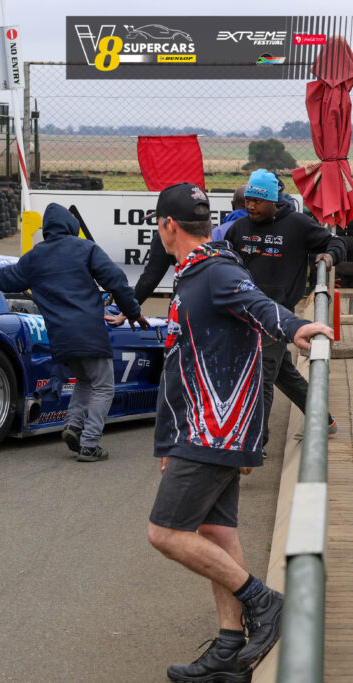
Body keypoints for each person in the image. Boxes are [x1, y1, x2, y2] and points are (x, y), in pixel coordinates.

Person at [146, 182, 334, 681]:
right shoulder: (198, 270)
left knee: (165, 532)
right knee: (217, 532)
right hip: (200, 428)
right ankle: (231, 646)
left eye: (159, 226)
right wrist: (168, 438)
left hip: (215, 431)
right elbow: (180, 362)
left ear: (168, 225)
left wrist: (296, 327)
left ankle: (264, 603)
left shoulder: (215, 270)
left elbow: (258, 304)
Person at [0, 203, 149, 462]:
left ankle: (73, 426)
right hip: (89, 332)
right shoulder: (85, 248)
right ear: (70, 225)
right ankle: (90, 444)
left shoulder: (35, 256)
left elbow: (7, 280)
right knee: (104, 387)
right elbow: (116, 280)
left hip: (60, 338)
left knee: (85, 380)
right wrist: (133, 311)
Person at [223, 169, 345, 437]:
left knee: (262, 376)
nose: (250, 206)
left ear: (273, 201)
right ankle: (323, 419)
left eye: (257, 201)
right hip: (245, 313)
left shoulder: (298, 225)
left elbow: (335, 242)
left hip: (278, 315)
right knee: (282, 373)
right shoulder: (239, 228)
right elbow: (224, 264)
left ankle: (256, 443)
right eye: (248, 200)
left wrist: (329, 256)